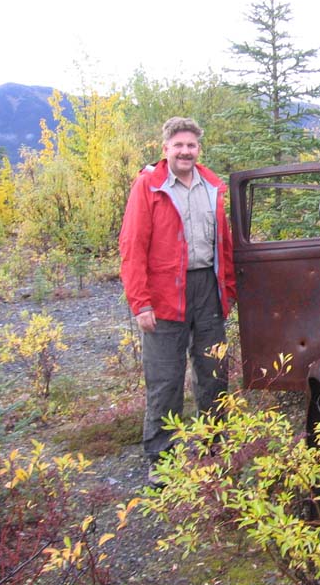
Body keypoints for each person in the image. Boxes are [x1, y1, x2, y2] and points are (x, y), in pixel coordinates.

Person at [119, 117, 236, 487]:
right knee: (165, 379)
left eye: (192, 145)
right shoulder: (149, 186)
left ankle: (213, 449)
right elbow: (132, 246)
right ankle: (161, 459)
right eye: (179, 145)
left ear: (199, 149)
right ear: (165, 147)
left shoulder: (212, 185)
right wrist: (141, 303)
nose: (185, 151)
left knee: (214, 374)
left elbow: (225, 245)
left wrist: (227, 292)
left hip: (207, 291)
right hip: (164, 294)